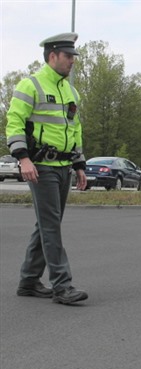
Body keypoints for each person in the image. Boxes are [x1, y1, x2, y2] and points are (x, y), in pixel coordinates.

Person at [6, 33, 88, 305]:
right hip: (40, 166)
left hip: (64, 167)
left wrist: (79, 165)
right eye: (68, 56)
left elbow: (74, 129)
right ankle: (62, 286)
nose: (72, 62)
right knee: (51, 225)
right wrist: (23, 158)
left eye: (73, 57)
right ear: (52, 55)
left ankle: (29, 281)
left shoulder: (71, 91)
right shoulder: (30, 85)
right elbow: (14, 122)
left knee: (46, 225)